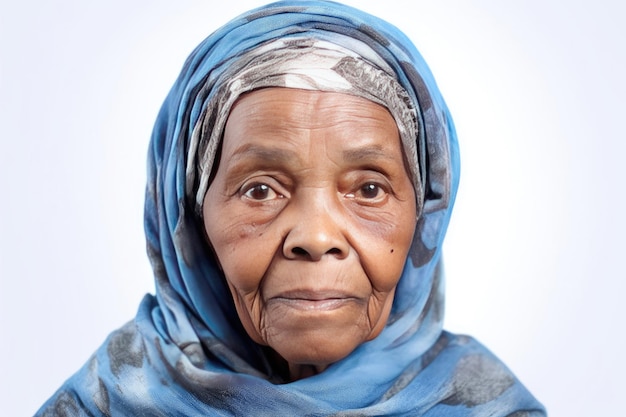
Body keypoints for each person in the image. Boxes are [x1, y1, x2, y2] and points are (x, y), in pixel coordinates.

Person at [37, 1, 546, 415]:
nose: (316, 235)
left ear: (424, 217)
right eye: (260, 190)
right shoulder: (98, 407)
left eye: (368, 189)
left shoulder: (489, 407)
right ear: (190, 221)